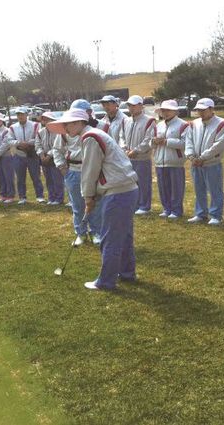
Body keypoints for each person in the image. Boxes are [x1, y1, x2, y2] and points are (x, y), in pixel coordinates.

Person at [48, 109, 138, 291]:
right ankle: (127, 273)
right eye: (64, 124)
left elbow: (90, 170)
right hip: (126, 189)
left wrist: (88, 196)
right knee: (124, 236)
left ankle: (106, 281)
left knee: (110, 238)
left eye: (69, 124)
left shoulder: (90, 137)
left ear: (81, 122)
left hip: (117, 192)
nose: (65, 128)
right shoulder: (95, 134)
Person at [53, 115, 103, 246]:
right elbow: (57, 149)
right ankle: (80, 233)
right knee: (77, 205)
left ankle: (96, 232)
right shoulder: (65, 133)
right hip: (74, 170)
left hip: (92, 169)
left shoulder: (93, 131)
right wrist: (62, 167)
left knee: (95, 203)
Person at [184, 98, 224, 225]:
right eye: (199, 110)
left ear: (211, 109)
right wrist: (191, 156)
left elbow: (218, 145)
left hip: (212, 163)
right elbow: (189, 141)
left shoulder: (222, 124)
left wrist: (202, 157)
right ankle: (200, 213)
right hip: (195, 163)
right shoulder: (193, 124)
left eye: (203, 110)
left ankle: (216, 215)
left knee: (215, 189)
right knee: (199, 189)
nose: (201, 113)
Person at [153, 99, 190, 219]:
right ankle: (166, 208)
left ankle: (176, 210)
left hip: (175, 161)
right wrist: (153, 142)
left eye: (169, 110)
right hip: (160, 161)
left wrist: (166, 142)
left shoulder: (183, 125)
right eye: (164, 110)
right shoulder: (159, 125)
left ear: (175, 112)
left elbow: (185, 143)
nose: (166, 112)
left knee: (176, 188)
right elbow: (151, 142)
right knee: (163, 187)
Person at [119, 95, 156, 215]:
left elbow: (148, 139)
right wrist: (124, 149)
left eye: (134, 105)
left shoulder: (149, 120)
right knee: (130, 182)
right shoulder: (126, 121)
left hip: (142, 158)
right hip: (128, 157)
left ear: (141, 106)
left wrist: (136, 150)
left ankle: (144, 206)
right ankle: (133, 204)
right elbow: (121, 137)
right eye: (129, 105)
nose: (131, 108)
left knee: (143, 182)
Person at [7, 107, 45, 204]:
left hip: (32, 154)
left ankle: (40, 196)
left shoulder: (36, 125)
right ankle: (22, 197)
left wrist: (28, 143)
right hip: (18, 155)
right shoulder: (12, 127)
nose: (20, 116)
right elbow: (9, 140)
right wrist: (19, 143)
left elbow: (38, 137)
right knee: (20, 178)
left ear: (26, 115)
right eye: (18, 114)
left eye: (22, 114)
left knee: (36, 176)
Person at [36, 112, 65, 205]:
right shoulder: (40, 132)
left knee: (57, 179)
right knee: (48, 179)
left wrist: (49, 155)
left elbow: (57, 146)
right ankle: (51, 197)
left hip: (54, 157)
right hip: (44, 158)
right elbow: (38, 145)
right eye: (44, 119)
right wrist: (41, 155)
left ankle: (59, 198)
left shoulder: (58, 131)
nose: (46, 121)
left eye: (48, 119)